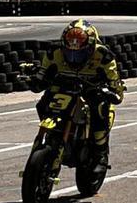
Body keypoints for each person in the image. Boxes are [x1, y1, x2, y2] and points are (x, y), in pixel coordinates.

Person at [27, 19, 125, 165]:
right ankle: (53, 135)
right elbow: (40, 80)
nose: (74, 57)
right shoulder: (54, 53)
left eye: (79, 53)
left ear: (91, 47)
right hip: (63, 89)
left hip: (90, 91)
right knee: (42, 104)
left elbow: (116, 88)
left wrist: (111, 91)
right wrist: (32, 78)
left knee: (100, 108)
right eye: (69, 52)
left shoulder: (104, 56)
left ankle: (100, 152)